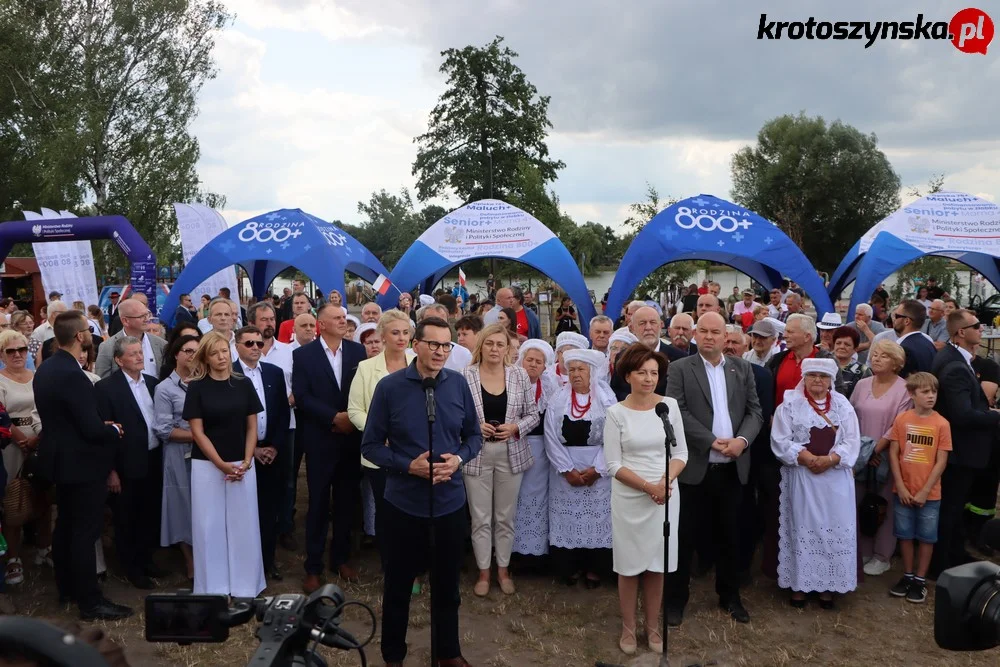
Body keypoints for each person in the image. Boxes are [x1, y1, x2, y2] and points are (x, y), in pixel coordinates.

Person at [361, 316, 481, 667]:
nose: (441, 351)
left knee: (448, 587)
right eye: (434, 344)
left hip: (449, 503)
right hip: (403, 504)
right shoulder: (390, 388)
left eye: (447, 345)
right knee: (398, 586)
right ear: (416, 344)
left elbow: (474, 437)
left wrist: (458, 459)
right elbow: (370, 446)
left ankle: (448, 652)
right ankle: (393, 656)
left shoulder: (458, 385)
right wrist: (406, 464)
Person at [664, 312, 762, 626]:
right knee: (684, 539)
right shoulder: (680, 368)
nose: (709, 336)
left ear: (726, 336)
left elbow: (754, 410)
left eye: (715, 332)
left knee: (730, 537)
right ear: (695, 334)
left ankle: (730, 596)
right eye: (703, 331)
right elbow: (675, 408)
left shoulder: (742, 367)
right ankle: (675, 601)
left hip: (732, 469)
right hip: (694, 469)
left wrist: (742, 441)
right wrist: (711, 441)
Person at [33, 311, 131, 620]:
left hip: (61, 461)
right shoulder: (71, 374)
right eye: (88, 331)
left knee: (65, 527)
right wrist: (113, 430)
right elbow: (90, 428)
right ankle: (90, 601)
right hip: (81, 464)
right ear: (79, 337)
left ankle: (68, 589)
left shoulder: (47, 368)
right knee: (83, 532)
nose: (90, 334)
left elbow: (66, 420)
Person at [604, 344, 688, 655]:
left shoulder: (669, 407)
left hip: (665, 496)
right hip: (630, 496)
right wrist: (647, 487)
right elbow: (613, 464)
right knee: (629, 566)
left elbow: (681, 453)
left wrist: (665, 482)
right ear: (628, 375)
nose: (649, 378)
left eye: (654, 373)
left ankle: (653, 627)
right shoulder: (615, 413)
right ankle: (628, 627)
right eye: (642, 372)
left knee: (657, 564)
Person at [771, 358, 861, 609]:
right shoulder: (790, 404)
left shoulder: (842, 405)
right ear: (804, 378)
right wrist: (807, 457)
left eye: (823, 376)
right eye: (812, 376)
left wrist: (831, 459)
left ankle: (828, 588)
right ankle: (800, 585)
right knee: (802, 527)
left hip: (835, 480)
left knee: (832, 529)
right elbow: (780, 439)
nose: (817, 381)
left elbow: (852, 440)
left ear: (831, 379)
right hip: (803, 478)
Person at [183, 330, 266, 598]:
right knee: (209, 526)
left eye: (224, 351)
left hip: (242, 464)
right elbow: (197, 431)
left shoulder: (243, 384)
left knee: (245, 524)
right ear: (206, 358)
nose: (222, 357)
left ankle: (246, 586)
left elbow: (252, 426)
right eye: (215, 353)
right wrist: (220, 464)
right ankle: (213, 589)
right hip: (207, 466)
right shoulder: (197, 387)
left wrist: (246, 459)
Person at [461, 324, 539, 596]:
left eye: (500, 344)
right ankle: (484, 571)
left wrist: (516, 427)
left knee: (505, 516)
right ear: (480, 345)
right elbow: (456, 415)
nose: (495, 349)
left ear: (508, 349)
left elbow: (533, 414)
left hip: (510, 452)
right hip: (476, 453)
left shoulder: (518, 375)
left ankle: (503, 569)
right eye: (490, 343)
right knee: (480, 516)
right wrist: (473, 426)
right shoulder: (465, 375)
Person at [293, 304, 367, 592]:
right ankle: (313, 566)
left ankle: (341, 558)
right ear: (321, 324)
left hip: (350, 438)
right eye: (336, 318)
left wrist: (349, 417)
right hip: (321, 438)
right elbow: (301, 395)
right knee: (319, 503)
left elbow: (360, 390)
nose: (343, 321)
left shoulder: (357, 352)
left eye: (344, 318)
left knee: (347, 501)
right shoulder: (303, 355)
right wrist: (332, 417)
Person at [930, 310, 1000, 577]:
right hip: (960, 450)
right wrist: (993, 416)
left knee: (955, 507)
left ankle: (955, 553)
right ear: (961, 332)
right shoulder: (955, 366)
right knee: (950, 507)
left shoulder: (956, 358)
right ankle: (941, 564)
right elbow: (962, 414)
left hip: (960, 449)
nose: (982, 330)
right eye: (977, 327)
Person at [347, 309, 415, 573]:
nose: (401, 338)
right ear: (383, 335)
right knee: (387, 513)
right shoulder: (366, 368)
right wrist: (379, 435)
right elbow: (355, 410)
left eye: (405, 332)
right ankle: (391, 566)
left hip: (414, 451)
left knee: (412, 512)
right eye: (395, 332)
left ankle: (414, 565)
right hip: (381, 454)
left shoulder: (418, 362)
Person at [544, 348, 617, 589]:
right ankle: (569, 567)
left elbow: (615, 436)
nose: (576, 374)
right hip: (566, 472)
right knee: (567, 521)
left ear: (592, 372)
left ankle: (596, 569)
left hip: (599, 472)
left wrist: (597, 469)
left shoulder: (606, 400)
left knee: (598, 520)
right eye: (572, 369)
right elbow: (550, 437)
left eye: (581, 369)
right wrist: (567, 470)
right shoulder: (558, 399)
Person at [95, 337, 164, 590]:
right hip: (125, 465)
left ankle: (147, 559)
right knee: (127, 517)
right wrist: (111, 471)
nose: (138, 357)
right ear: (118, 359)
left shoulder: (154, 384)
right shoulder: (106, 389)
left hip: (153, 458)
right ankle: (131, 567)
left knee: (149, 513)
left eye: (140, 352)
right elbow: (104, 435)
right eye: (132, 353)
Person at [849, 340, 912, 578]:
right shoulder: (862, 384)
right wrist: (863, 452)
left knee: (884, 504)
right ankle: (862, 550)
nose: (875, 359)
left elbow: (899, 424)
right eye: (874, 355)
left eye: (883, 356)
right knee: (860, 501)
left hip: (887, 455)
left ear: (896, 363)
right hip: (860, 454)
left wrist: (876, 451)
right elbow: (851, 418)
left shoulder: (904, 389)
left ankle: (882, 555)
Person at [888, 372, 951, 603]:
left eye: (934, 391)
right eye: (925, 392)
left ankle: (920, 579)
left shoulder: (942, 423)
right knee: (905, 535)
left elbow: (941, 461)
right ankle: (907, 575)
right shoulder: (902, 419)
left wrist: (925, 491)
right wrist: (901, 487)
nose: (931, 396)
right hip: (903, 491)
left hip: (930, 494)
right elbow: (894, 454)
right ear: (912, 394)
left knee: (926, 537)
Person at [0, 330, 48, 587]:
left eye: (21, 349)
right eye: (11, 351)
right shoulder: (0, 381)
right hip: (11, 446)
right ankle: (13, 558)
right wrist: (22, 441)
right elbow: (3, 417)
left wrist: (37, 441)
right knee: (12, 502)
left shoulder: (39, 377)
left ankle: (44, 547)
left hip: (40, 442)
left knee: (43, 497)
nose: (17, 354)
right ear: (2, 355)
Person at [154, 334, 200, 581]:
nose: (192, 355)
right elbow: (162, 429)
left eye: (196, 351)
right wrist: (198, 435)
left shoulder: (205, 381)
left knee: (203, 506)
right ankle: (189, 560)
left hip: (206, 454)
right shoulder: (165, 388)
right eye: (187, 350)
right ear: (176, 354)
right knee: (182, 506)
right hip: (179, 453)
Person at [512, 340, 559, 558]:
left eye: (538, 362)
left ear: (545, 366)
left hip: (539, 449)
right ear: (521, 360)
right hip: (512, 445)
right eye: (529, 359)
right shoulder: (510, 383)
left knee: (536, 497)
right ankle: (511, 550)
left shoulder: (550, 388)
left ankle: (535, 551)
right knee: (513, 498)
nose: (533, 364)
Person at [96, 297, 165, 379]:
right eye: (141, 316)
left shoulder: (161, 344)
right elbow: (102, 382)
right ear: (125, 321)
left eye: (147, 314)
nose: (147, 319)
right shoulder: (108, 347)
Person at [894, 299, 936, 378]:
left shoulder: (903, 349)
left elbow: (900, 383)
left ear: (907, 321)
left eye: (897, 316)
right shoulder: (929, 344)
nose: (894, 319)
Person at [831, 327, 871, 399]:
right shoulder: (824, 365)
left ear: (855, 349)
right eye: (838, 343)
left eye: (847, 344)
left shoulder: (863, 370)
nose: (842, 347)